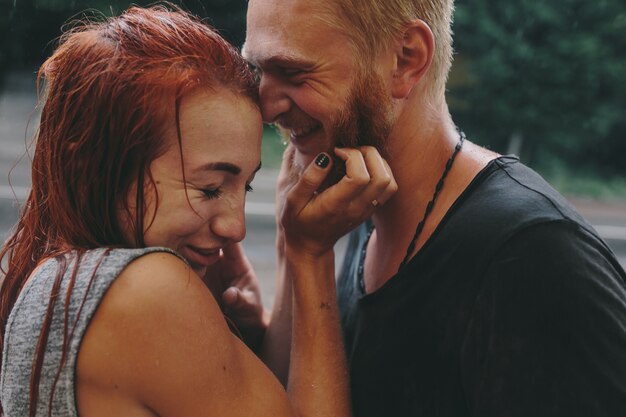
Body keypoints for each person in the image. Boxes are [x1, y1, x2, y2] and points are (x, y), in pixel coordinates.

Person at [0, 6, 397, 417]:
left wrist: (283, 255)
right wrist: (311, 256)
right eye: (209, 188)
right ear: (92, 166)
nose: (236, 227)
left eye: (246, 186)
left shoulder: (55, 281)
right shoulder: (148, 290)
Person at [243, 0, 626, 415]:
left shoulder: (535, 258)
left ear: (406, 60)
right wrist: (291, 252)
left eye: (294, 73)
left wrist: (309, 256)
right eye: (258, 71)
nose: (265, 107)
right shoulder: (357, 201)